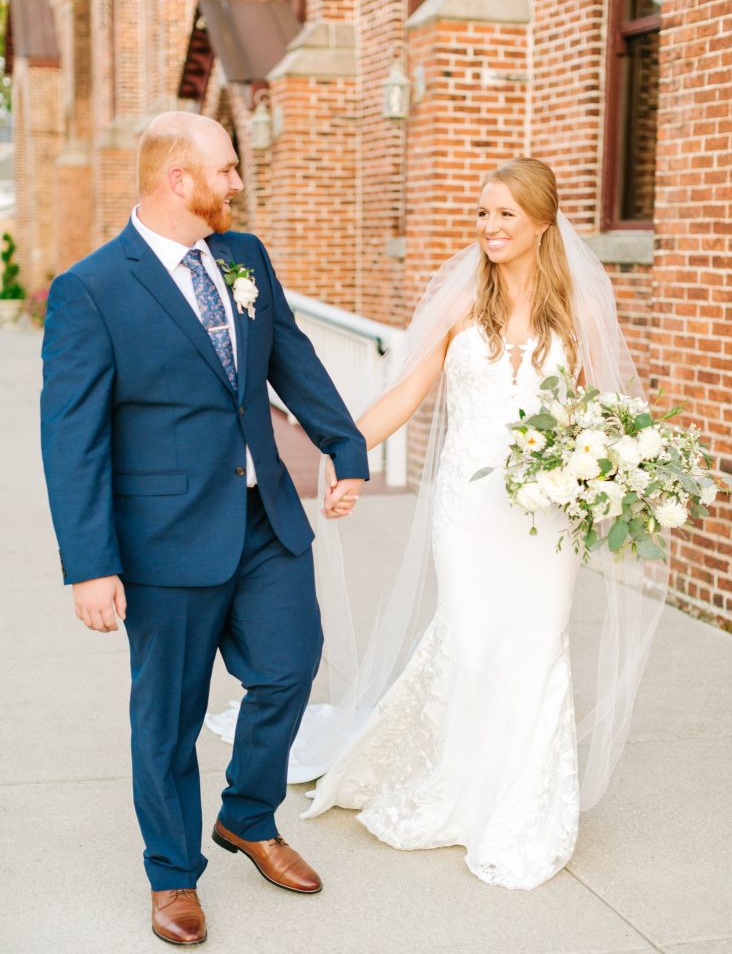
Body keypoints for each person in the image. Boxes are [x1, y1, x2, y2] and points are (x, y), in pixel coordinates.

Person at [40, 111, 368, 946]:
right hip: (162, 539)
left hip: (264, 517)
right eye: (226, 170)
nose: (237, 184)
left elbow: (289, 356)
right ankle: (172, 876)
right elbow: (71, 437)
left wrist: (344, 444)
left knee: (292, 666)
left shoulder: (242, 257)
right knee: (169, 718)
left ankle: (249, 816)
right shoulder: (93, 289)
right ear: (178, 180)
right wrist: (88, 563)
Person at [295, 157, 667, 890]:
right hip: (469, 513)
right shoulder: (466, 303)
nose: (490, 228)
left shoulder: (580, 313)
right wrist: (345, 456)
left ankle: (523, 805)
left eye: (505, 215)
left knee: (534, 646)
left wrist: (617, 471)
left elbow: (610, 416)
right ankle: (458, 793)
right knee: (469, 646)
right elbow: (405, 393)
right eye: (482, 213)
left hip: (546, 516)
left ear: (541, 224)